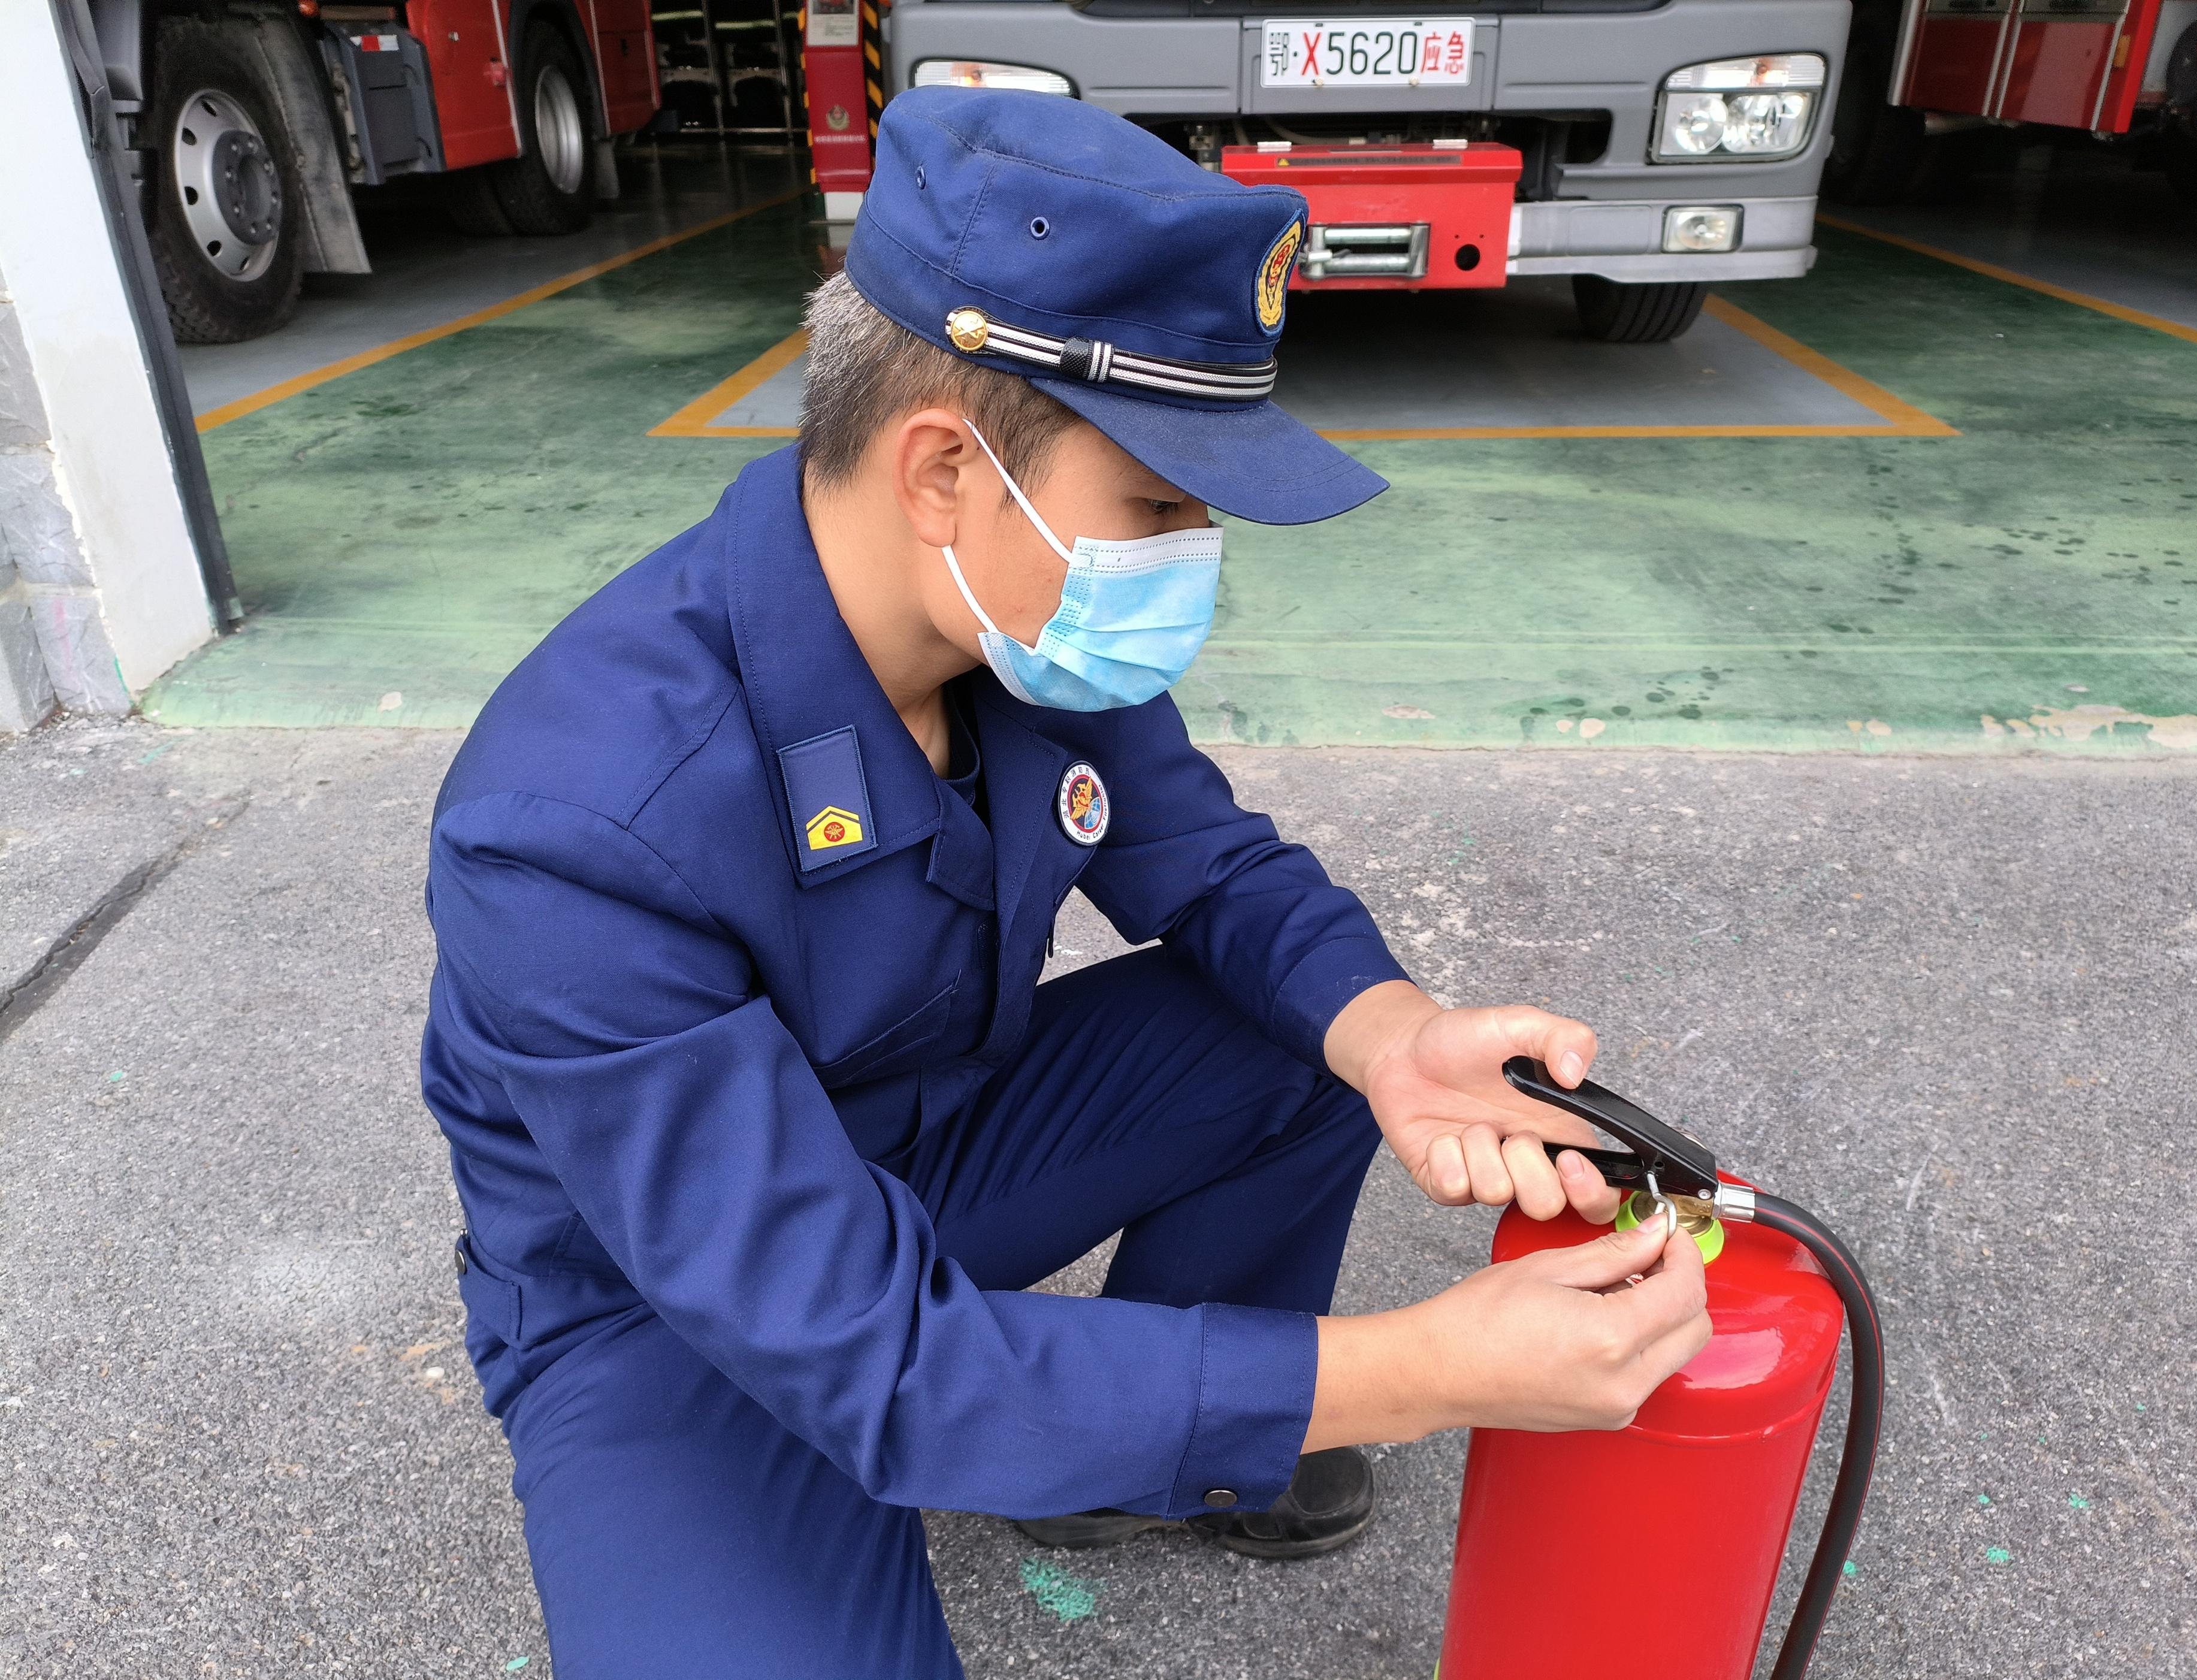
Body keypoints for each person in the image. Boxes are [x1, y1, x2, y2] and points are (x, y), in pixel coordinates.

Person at [420, 84, 1712, 1678]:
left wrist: (1392, 1033)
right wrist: (1425, 1366)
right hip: (672, 1301)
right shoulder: (572, 822)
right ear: (943, 473)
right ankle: (1109, 1411)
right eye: (1158, 506)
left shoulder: (1001, 617)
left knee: (1296, 1025)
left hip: (928, 1153)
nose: (1187, 557)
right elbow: (864, 1353)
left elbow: (1211, 867)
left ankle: (1147, 1447)